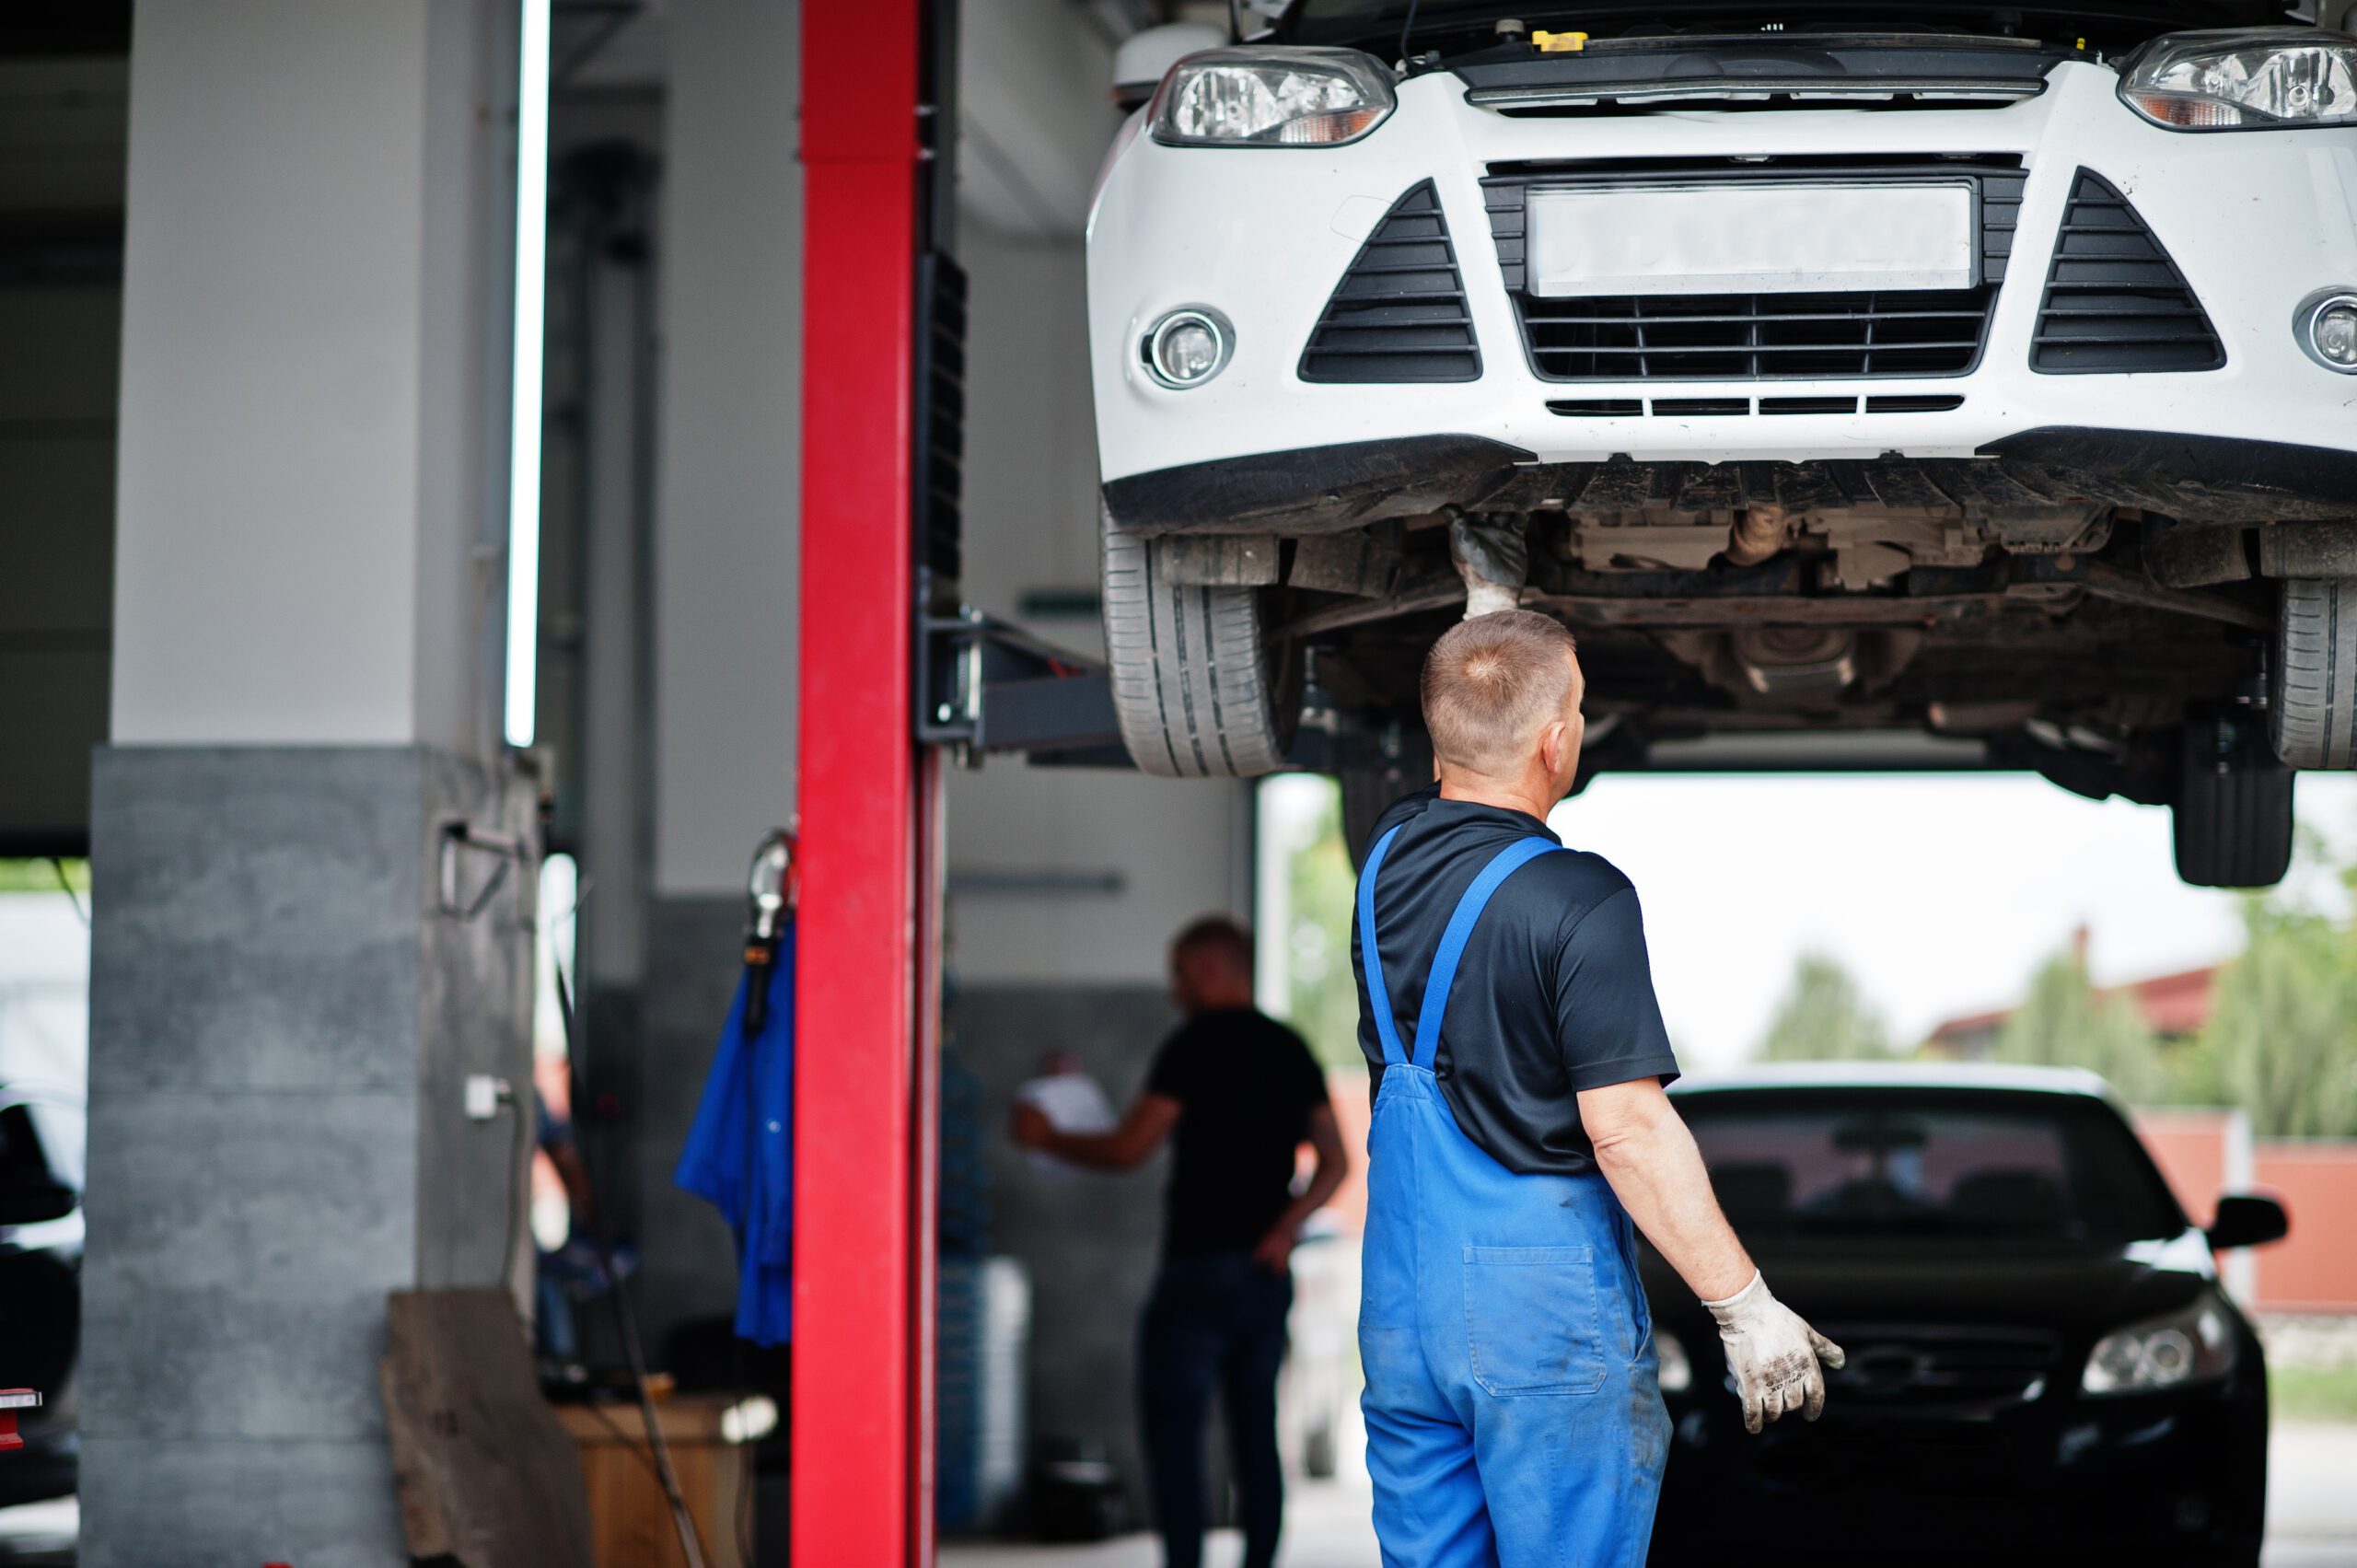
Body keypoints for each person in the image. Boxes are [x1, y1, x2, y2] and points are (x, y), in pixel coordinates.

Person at [1353, 610, 1844, 1568]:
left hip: (1402, 1304)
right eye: (1574, 705)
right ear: (1556, 739)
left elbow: (1469, 714)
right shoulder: (1580, 896)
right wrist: (1742, 1303)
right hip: (1535, 1318)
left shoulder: (1386, 854)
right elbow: (1624, 1124)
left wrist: (1485, 631)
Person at [1011, 916, 1349, 1568]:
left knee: (1176, 1440)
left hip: (1196, 1274)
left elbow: (1128, 1147)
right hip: (1263, 1273)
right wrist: (1286, 1225)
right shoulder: (1289, 1047)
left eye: (1182, 973)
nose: (1174, 989)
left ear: (1212, 969)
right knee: (1256, 1437)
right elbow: (1335, 1160)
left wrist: (1045, 1136)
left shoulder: (1190, 1046)